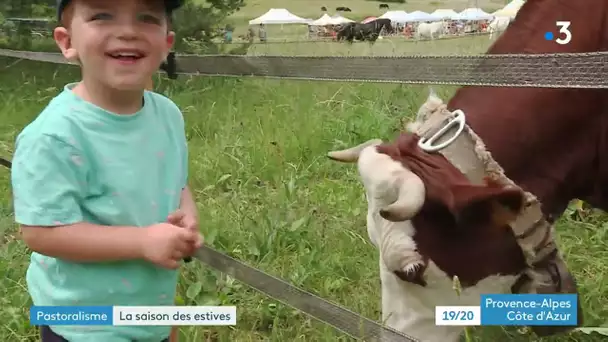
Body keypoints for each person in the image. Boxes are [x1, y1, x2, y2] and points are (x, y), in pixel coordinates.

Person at [10, 0, 204, 341]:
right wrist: (142, 241)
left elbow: (175, 177)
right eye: (102, 15)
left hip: (149, 304)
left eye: (146, 18)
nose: (128, 31)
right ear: (66, 42)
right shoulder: (54, 136)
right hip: (84, 320)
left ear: (167, 43)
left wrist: (186, 213)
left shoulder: (167, 115)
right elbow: (41, 233)